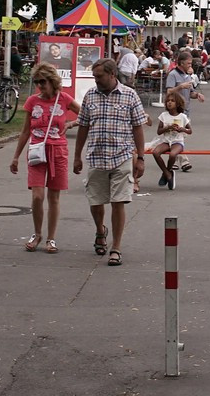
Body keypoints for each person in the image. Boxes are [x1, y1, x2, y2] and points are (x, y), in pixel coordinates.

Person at [73, 58, 148, 267]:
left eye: (99, 76)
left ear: (112, 75)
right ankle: (100, 230)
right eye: (94, 76)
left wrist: (140, 158)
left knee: (118, 202)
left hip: (122, 157)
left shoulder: (130, 95)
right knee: (95, 201)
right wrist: (77, 155)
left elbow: (138, 128)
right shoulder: (90, 96)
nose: (95, 80)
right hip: (96, 157)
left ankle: (116, 247)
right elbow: (83, 127)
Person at [9, 62, 80, 254]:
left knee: (54, 198)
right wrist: (15, 157)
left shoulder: (64, 99)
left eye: (43, 82)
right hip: (37, 151)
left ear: (52, 81)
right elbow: (25, 131)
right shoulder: (32, 101)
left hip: (58, 151)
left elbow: (85, 115)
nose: (40, 86)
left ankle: (51, 238)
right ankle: (37, 233)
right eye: (37, 82)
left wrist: (72, 124)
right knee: (37, 196)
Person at [166, 50, 205, 172]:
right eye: (188, 63)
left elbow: (190, 92)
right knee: (178, 136)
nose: (190, 65)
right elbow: (168, 92)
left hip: (186, 111)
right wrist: (180, 87)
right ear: (181, 63)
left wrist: (197, 95)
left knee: (179, 137)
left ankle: (174, 160)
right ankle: (184, 161)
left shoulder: (187, 76)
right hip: (175, 112)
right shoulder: (173, 75)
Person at [153, 92, 191, 191]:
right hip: (166, 141)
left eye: (172, 101)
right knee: (155, 152)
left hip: (177, 141)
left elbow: (190, 131)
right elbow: (159, 131)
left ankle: (167, 172)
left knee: (173, 155)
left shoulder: (182, 116)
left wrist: (182, 129)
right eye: (168, 101)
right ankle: (167, 173)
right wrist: (168, 127)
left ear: (178, 103)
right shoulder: (163, 115)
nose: (169, 103)